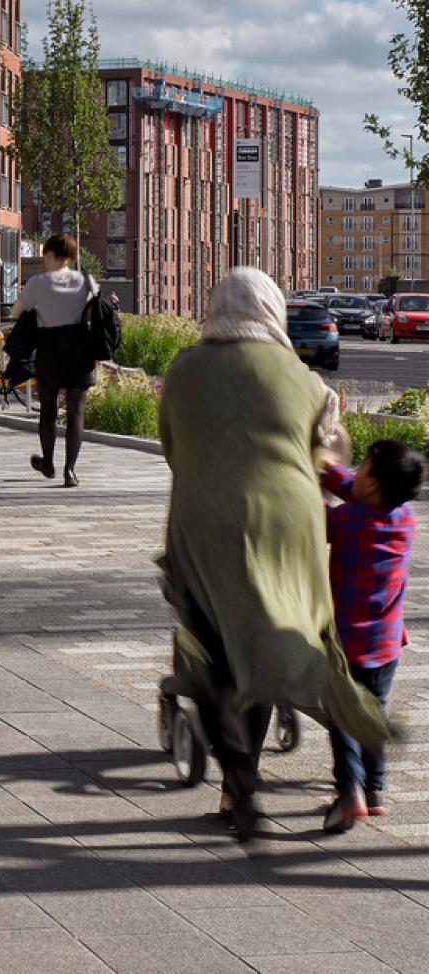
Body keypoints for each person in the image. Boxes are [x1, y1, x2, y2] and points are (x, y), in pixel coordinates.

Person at [159, 267, 388, 842]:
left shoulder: (183, 372)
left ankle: (239, 784)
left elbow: (171, 449)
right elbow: (323, 453)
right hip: (291, 531)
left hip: (206, 533)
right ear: (273, 311)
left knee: (224, 656)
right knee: (303, 640)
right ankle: (352, 784)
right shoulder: (305, 379)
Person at [320, 440, 422, 832]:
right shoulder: (404, 519)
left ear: (375, 485)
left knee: (343, 718)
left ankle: (350, 793)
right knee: (372, 714)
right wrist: (333, 472)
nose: (355, 472)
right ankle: (375, 790)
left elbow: (317, 517)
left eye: (361, 467)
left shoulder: (348, 521)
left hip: (346, 644)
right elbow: (356, 491)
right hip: (385, 644)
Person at [9, 233, 97, 488]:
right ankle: (70, 471)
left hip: (50, 350)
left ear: (49, 255)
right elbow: (95, 314)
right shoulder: (87, 282)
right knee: (76, 412)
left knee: (48, 411)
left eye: (45, 256)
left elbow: (17, 312)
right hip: (80, 349)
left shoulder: (38, 283)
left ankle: (48, 462)